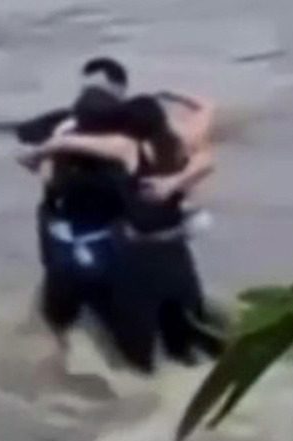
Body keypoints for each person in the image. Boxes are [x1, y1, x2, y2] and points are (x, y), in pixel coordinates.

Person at [19, 92, 223, 369]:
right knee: (193, 337)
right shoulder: (180, 144)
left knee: (138, 355)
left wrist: (40, 153)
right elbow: (207, 149)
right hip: (178, 255)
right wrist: (175, 182)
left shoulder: (127, 149)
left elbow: (69, 143)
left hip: (137, 258)